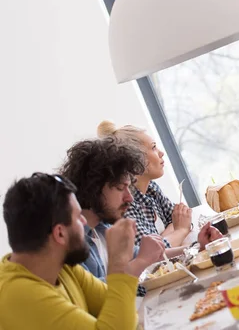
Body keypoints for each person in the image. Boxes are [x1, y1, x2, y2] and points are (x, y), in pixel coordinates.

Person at [59, 137, 222, 295]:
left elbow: (151, 256)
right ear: (94, 189)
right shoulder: (73, 244)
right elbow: (96, 297)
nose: (129, 198)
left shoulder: (102, 228)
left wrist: (197, 248)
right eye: (120, 188)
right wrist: (141, 262)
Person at [0, 173, 140, 329]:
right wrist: (118, 263)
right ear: (60, 233)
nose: (84, 222)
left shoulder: (63, 267)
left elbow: (123, 311)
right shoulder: (19, 295)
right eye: (78, 216)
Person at [97, 120, 194, 248]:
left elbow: (181, 220)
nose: (161, 153)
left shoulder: (151, 188)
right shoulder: (123, 205)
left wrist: (169, 236)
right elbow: (149, 253)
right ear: (134, 159)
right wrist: (180, 231)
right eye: (153, 147)